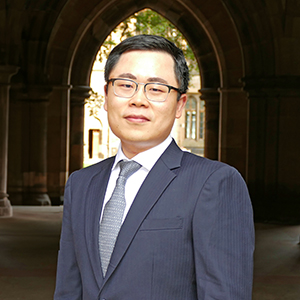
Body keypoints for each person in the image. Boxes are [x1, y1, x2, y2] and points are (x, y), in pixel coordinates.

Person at [54, 34, 254, 300]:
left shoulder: (215, 183)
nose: (138, 100)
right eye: (125, 85)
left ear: (180, 104)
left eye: (156, 89)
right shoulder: (80, 184)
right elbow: (69, 289)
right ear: (105, 94)